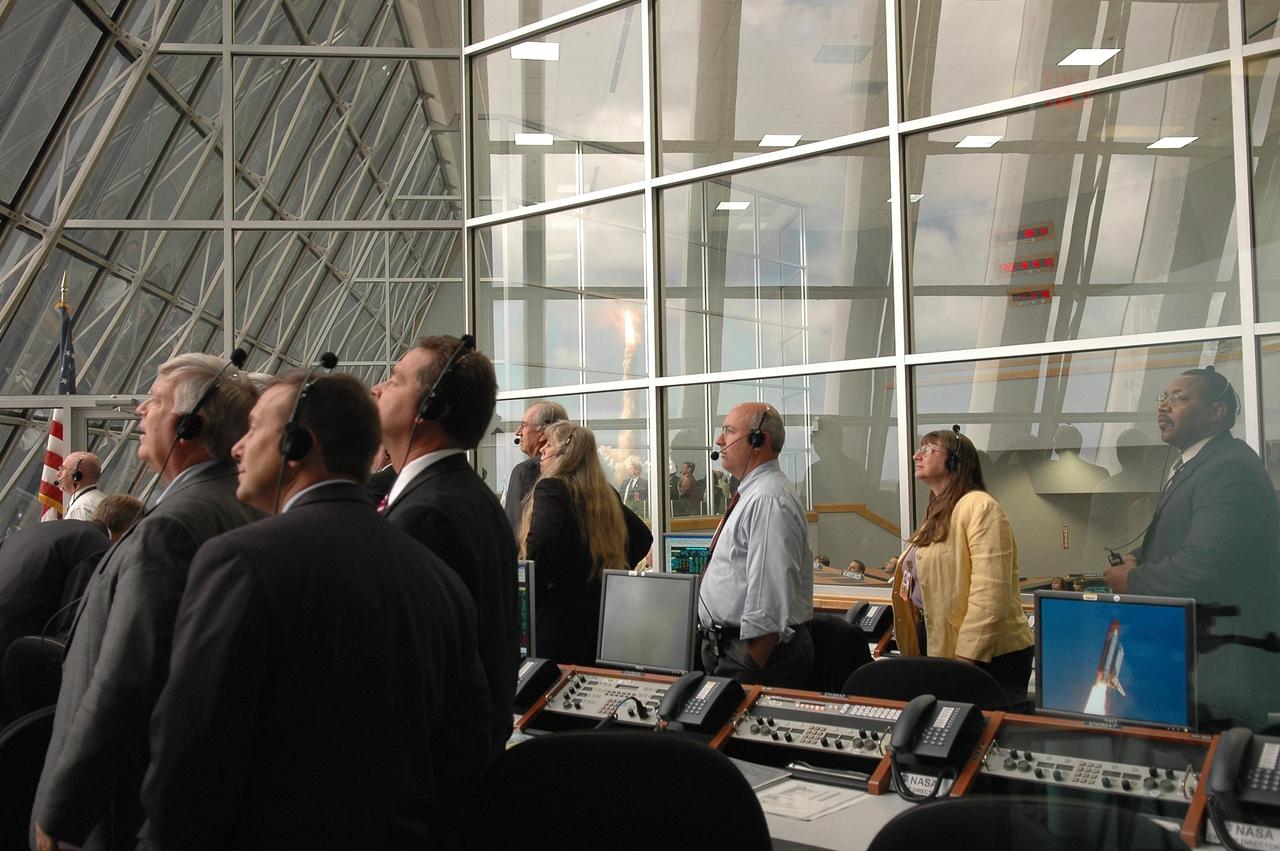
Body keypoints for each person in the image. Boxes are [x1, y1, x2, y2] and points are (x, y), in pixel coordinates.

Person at [140, 372, 490, 849]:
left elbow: (193, 748)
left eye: (255, 429)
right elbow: (463, 747)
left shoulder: (240, 561)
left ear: (296, 444)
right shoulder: (439, 580)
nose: (238, 448)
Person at [32, 353, 260, 851]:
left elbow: (127, 679)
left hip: (119, 809)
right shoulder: (237, 506)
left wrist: (61, 812)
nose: (139, 410)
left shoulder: (172, 529)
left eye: (154, 401)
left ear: (190, 424)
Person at [1104, 366, 1280, 728]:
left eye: (1179, 398)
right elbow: (1189, 539)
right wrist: (1140, 556)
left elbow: (1203, 566)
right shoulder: (1197, 464)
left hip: (1224, 674)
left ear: (1218, 412)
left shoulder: (1230, 468)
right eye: (1162, 398)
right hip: (1190, 664)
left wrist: (1133, 581)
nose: (1163, 407)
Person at [372, 336, 519, 756]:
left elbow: (414, 667)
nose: (378, 388)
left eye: (396, 380)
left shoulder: (428, 515)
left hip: (433, 768)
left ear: (432, 408)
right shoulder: (463, 495)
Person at [889, 427, 1035, 706]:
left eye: (928, 450)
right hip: (946, 650)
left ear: (955, 462)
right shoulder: (941, 509)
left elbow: (990, 594)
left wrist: (964, 662)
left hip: (985, 657)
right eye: (919, 449)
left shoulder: (981, 507)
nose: (916, 455)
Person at [698, 403, 814, 688]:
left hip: (756, 655)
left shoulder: (768, 499)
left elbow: (769, 598)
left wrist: (744, 666)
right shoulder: (754, 493)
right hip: (731, 647)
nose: (719, 440)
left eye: (729, 430)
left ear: (758, 440)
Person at [518, 421, 652, 666]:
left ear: (565, 453)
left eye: (548, 444)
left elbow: (539, 548)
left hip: (555, 625)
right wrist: (608, 574)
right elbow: (643, 537)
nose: (542, 451)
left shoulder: (551, 489)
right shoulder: (605, 493)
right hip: (600, 620)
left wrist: (533, 595)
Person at [504, 399, 567, 531]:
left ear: (544, 433)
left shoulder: (525, 471)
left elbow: (514, 528)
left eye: (524, 426)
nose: (518, 432)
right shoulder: (584, 470)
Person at [58, 451, 106, 522]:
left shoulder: (80, 508)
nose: (58, 473)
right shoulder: (101, 499)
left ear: (76, 476)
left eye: (63, 469)